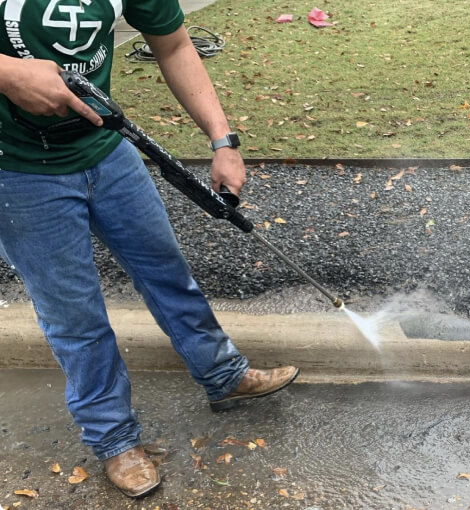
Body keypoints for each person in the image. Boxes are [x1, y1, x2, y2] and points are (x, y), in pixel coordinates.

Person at [0, 0, 299, 499]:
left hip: (105, 149)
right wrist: (7, 71)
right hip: (19, 172)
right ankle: (114, 439)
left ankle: (221, 374)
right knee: (75, 315)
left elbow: (176, 43)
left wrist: (222, 141)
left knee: (166, 272)